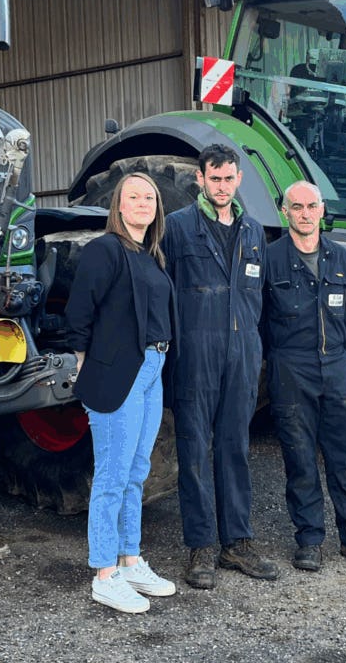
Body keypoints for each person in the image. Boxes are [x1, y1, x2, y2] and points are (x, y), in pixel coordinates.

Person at [163, 143, 277, 589]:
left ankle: (237, 543)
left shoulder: (252, 231)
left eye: (229, 179)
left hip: (242, 354)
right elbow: (163, 292)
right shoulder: (177, 228)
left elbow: (260, 298)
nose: (222, 187)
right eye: (215, 179)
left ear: (239, 179)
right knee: (193, 450)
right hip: (196, 353)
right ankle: (201, 546)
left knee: (235, 447)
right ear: (200, 179)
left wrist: (255, 349)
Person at [262, 180, 346, 572]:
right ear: (285, 212)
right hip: (291, 367)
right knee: (299, 459)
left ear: (321, 210)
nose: (304, 213)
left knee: (343, 458)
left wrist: (333, 356)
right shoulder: (270, 259)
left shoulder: (341, 259)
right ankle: (310, 540)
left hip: (335, 366)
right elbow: (260, 319)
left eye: (310, 206)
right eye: (296, 206)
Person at [65, 172, 178, 613]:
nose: (143, 203)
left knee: (136, 472)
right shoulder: (105, 250)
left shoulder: (152, 256)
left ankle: (130, 561)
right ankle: (104, 574)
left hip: (154, 368)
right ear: (118, 205)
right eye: (133, 196)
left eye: (149, 197)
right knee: (112, 474)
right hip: (120, 373)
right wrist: (82, 362)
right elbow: (80, 311)